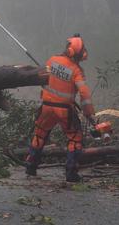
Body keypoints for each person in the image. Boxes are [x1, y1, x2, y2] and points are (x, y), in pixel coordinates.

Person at [25, 34, 95, 182]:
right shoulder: (76, 70)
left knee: (40, 135)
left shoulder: (52, 60)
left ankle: (31, 166)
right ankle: (71, 173)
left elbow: (43, 78)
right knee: (75, 138)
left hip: (46, 107)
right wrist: (89, 113)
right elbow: (84, 93)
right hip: (64, 110)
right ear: (78, 53)